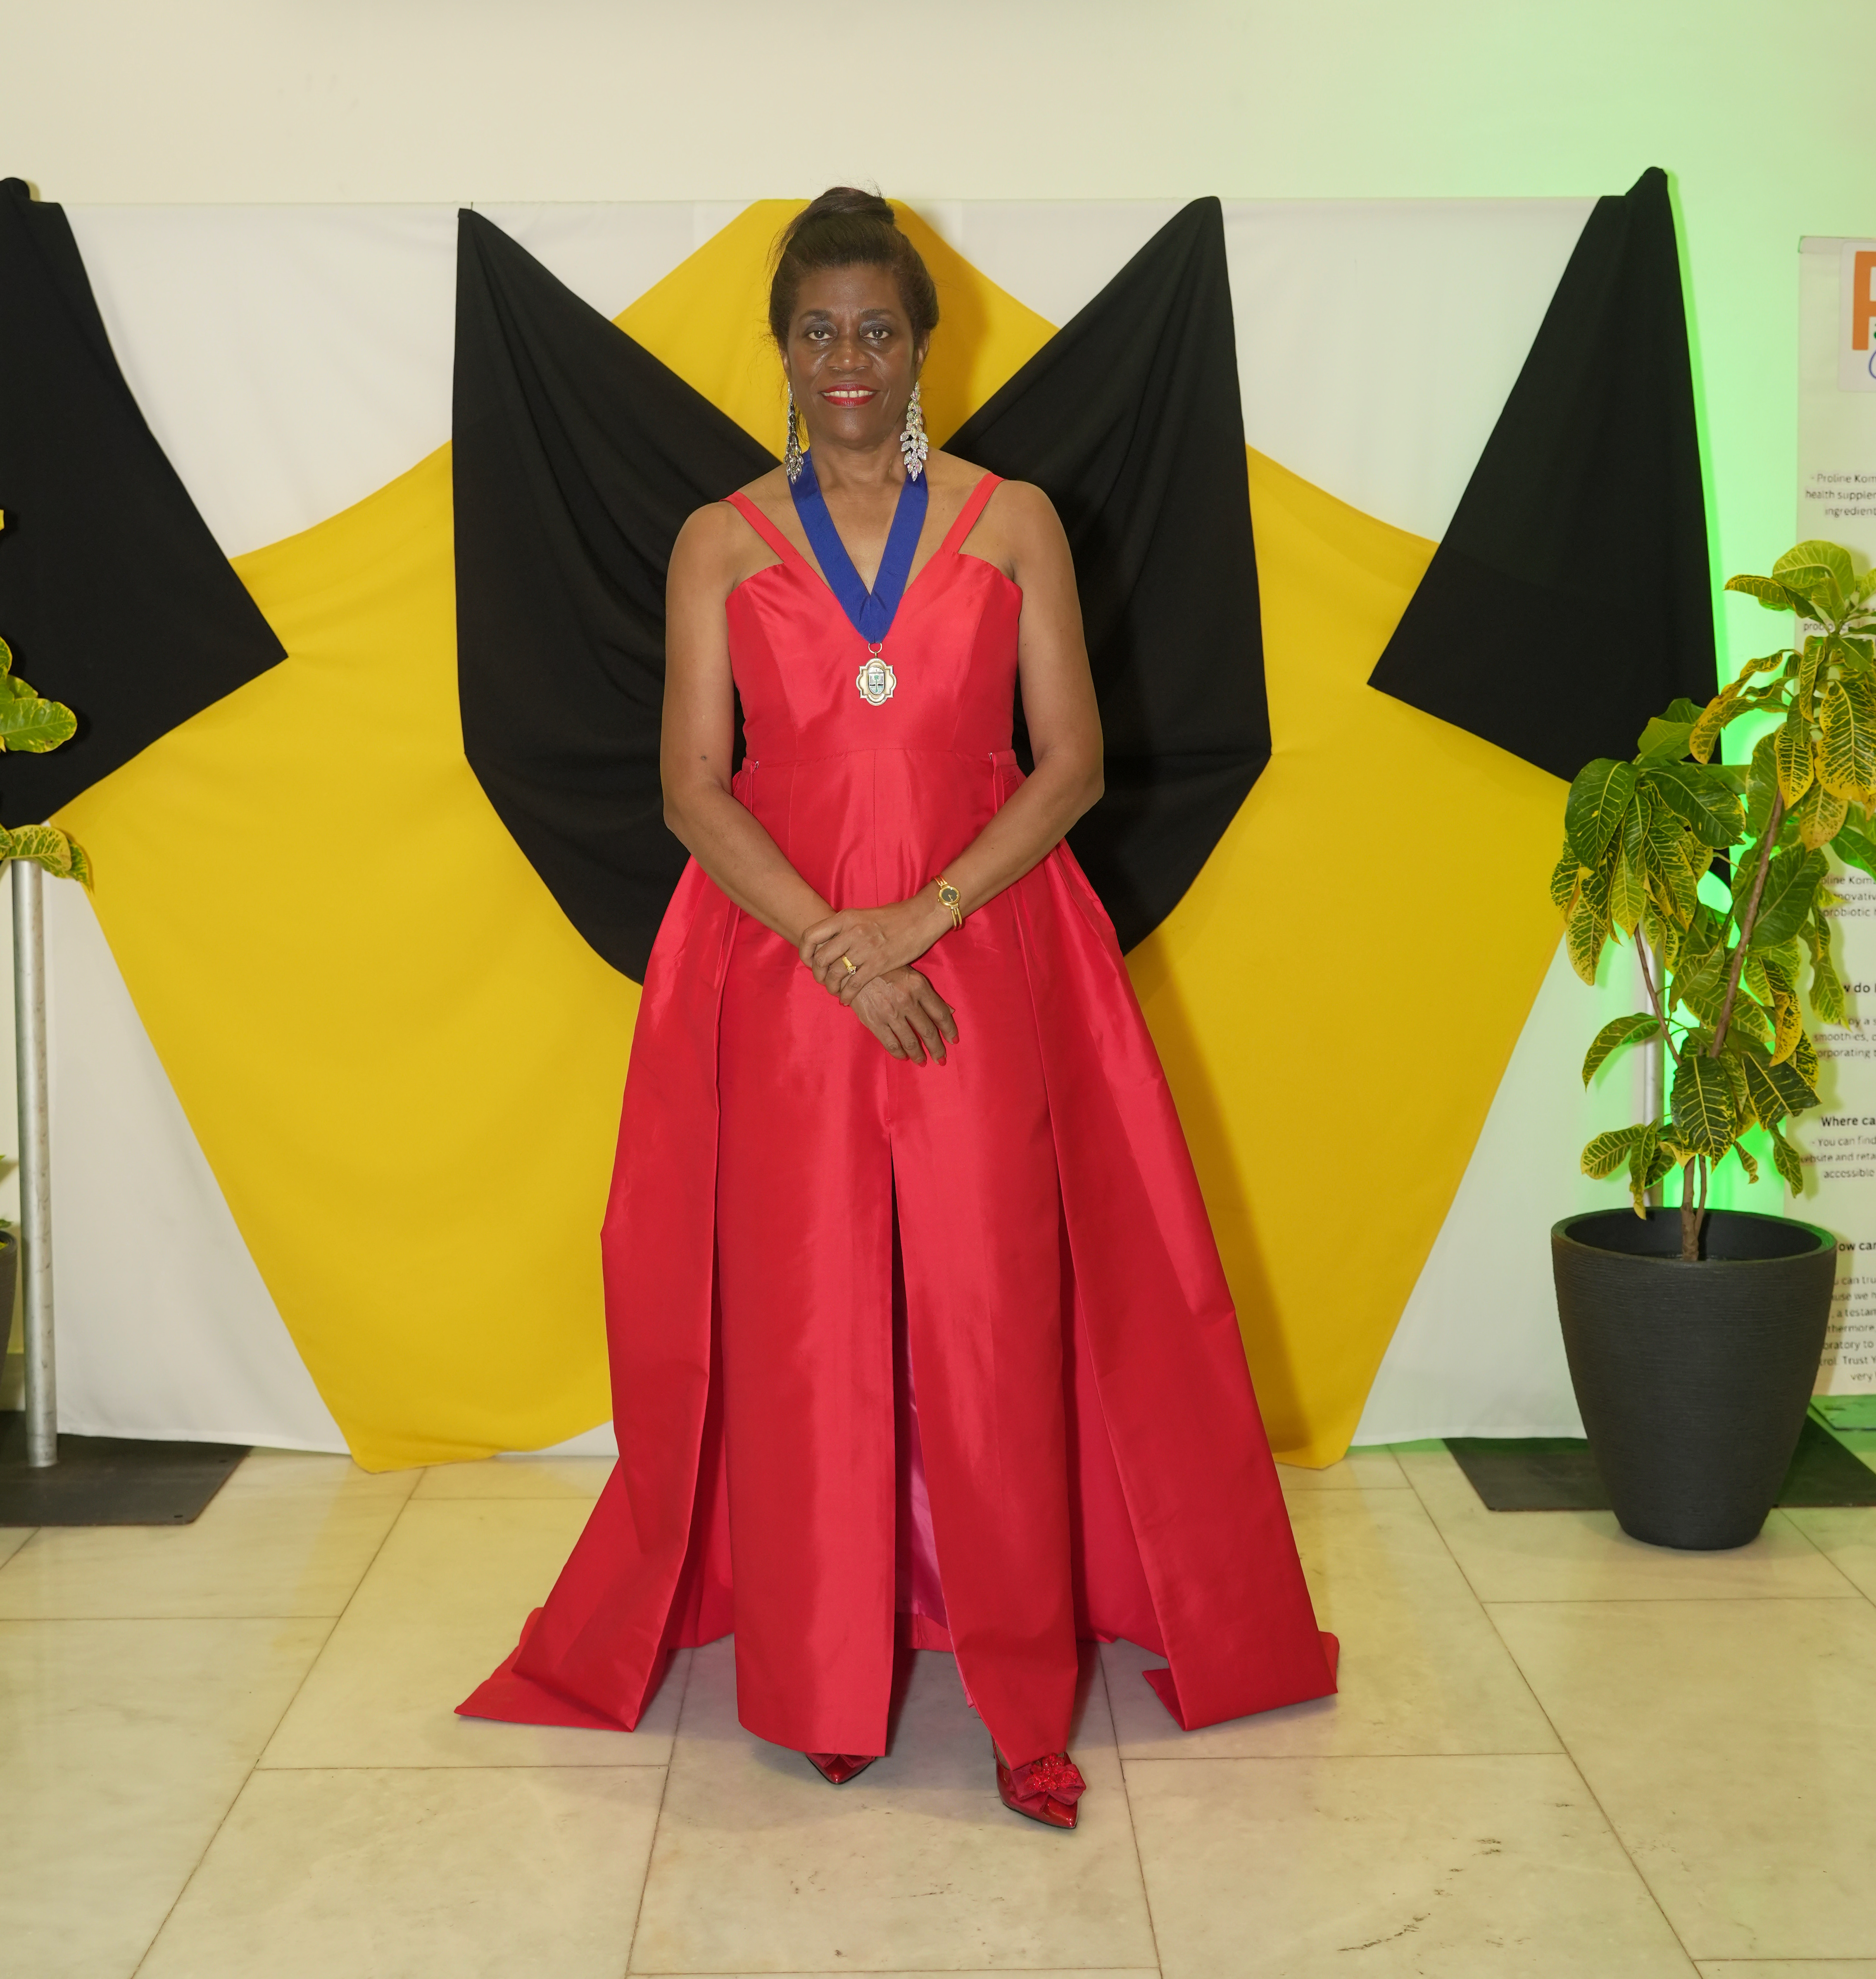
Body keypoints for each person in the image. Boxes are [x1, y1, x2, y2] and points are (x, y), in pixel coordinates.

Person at [461, 188, 1336, 1831]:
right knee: (809, 1334)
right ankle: (820, 1681)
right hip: (783, 972)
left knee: (992, 1328)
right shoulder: (720, 540)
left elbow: (1072, 765)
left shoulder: (1016, 523)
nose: (847, 359)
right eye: (818, 332)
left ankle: (1021, 1699)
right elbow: (692, 786)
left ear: (926, 345)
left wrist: (920, 922)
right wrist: (835, 946)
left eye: (876, 328)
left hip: (986, 954)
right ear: (782, 352)